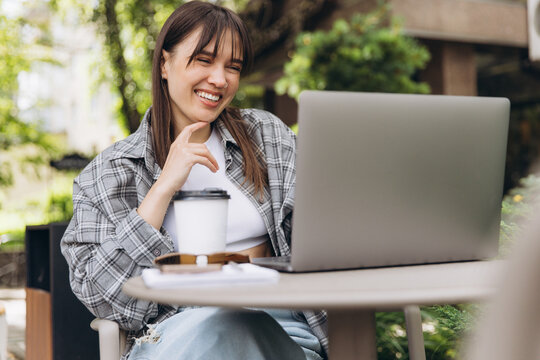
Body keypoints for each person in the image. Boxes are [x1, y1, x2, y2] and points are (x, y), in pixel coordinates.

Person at [60, 2, 327, 359]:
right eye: (204, 60)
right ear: (164, 63)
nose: (220, 80)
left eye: (232, 67)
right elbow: (102, 295)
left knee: (241, 328)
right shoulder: (110, 172)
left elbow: (326, 233)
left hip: (282, 326)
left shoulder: (266, 138)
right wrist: (164, 187)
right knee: (225, 327)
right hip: (176, 332)